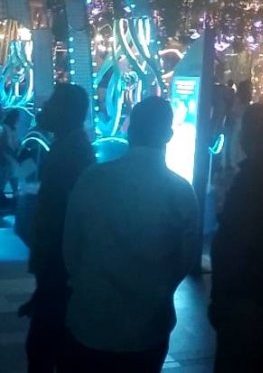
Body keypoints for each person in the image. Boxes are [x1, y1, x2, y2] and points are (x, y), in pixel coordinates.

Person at [64, 96, 199, 372]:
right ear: (168, 135)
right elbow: (185, 260)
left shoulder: (92, 178)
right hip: (147, 326)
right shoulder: (181, 192)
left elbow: (70, 247)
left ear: (129, 129)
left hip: (91, 319)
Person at [209, 103, 263, 372]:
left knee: (240, 356)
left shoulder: (252, 178)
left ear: (249, 133)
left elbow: (238, 238)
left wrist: (221, 291)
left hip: (244, 286)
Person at [22, 83, 95, 373]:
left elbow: (64, 221)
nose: (44, 108)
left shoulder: (70, 154)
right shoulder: (69, 148)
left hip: (59, 270)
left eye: (52, 103)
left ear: (66, 111)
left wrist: (48, 285)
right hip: (57, 271)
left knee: (43, 350)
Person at [0, 107, 21, 204]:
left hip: (11, 156)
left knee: (11, 175)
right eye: (17, 117)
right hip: (7, 155)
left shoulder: (13, 128)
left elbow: (15, 142)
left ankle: (14, 194)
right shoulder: (4, 128)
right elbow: (4, 143)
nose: (18, 119)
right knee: (6, 175)